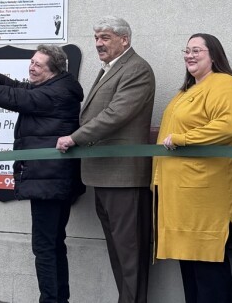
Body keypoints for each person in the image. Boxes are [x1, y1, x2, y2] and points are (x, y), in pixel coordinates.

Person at [0, 45, 84, 303]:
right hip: (52, 179)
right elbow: (19, 88)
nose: (31, 67)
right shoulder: (57, 87)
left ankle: (51, 300)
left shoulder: (55, 93)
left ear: (53, 71)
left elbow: (11, 98)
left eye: (38, 65)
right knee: (53, 244)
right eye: (31, 62)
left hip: (49, 181)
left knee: (45, 247)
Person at [56, 16, 155, 303]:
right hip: (104, 174)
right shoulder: (111, 69)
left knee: (130, 253)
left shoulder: (137, 69)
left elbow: (116, 114)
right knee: (118, 252)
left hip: (124, 177)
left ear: (125, 40)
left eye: (106, 37)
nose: (99, 43)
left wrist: (75, 137)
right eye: (96, 37)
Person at [155, 33, 232, 303]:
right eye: (186, 50)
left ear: (214, 55)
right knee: (191, 273)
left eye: (197, 50)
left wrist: (185, 139)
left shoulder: (226, 84)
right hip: (184, 199)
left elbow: (227, 126)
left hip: (208, 199)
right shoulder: (188, 90)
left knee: (209, 273)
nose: (190, 55)